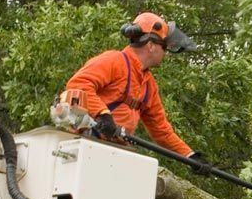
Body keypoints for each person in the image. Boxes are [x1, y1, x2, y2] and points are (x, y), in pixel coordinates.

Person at [60, 11, 198, 156]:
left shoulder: (149, 85)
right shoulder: (114, 60)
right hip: (88, 142)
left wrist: (190, 155)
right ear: (151, 45)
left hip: (116, 150)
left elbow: (161, 129)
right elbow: (78, 84)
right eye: (164, 46)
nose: (165, 52)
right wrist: (103, 114)